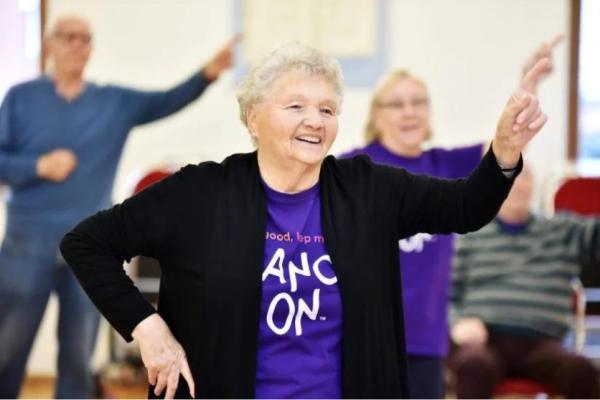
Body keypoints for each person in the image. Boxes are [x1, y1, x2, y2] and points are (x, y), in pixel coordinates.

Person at [60, 42, 548, 399]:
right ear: (253, 118)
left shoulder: (369, 189)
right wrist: (148, 328)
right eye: (296, 106)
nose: (315, 120)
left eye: (327, 109)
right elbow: (88, 243)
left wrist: (504, 152)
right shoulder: (201, 193)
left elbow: (467, 207)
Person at [0, 15, 237, 398]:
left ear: (91, 48)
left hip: (87, 251)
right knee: (8, 348)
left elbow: (167, 100)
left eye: (84, 39)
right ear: (49, 45)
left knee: (79, 354)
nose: (77, 45)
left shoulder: (113, 102)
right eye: (67, 37)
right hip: (26, 246)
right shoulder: (21, 99)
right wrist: (37, 166)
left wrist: (207, 74)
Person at [340, 35, 563, 398]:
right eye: (396, 104)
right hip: (363, 337)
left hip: (425, 340)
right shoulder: (354, 168)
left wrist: (528, 83)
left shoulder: (444, 165)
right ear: (376, 115)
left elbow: (506, 145)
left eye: (417, 102)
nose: (409, 112)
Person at [449, 167, 600, 399]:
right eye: (508, 178)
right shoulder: (470, 234)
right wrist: (457, 321)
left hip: (542, 341)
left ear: (533, 185)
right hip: (485, 338)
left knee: (581, 372)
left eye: (524, 177)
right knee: (474, 365)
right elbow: (445, 292)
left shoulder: (561, 231)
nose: (516, 185)